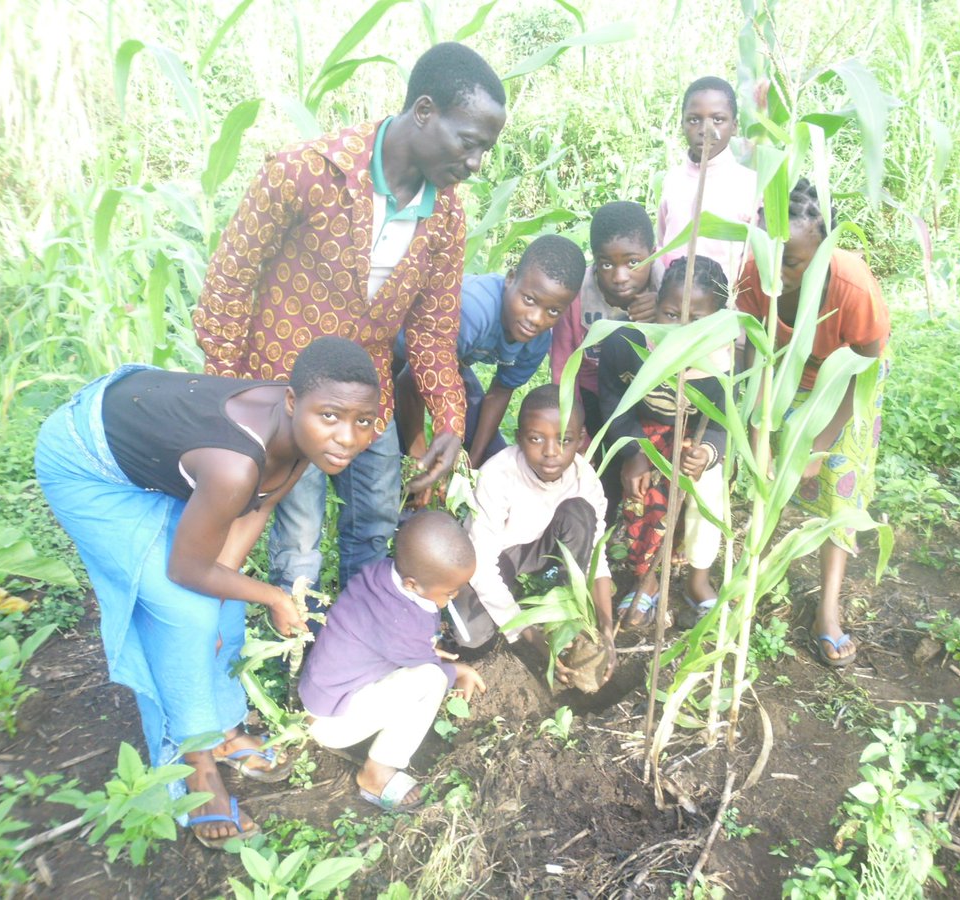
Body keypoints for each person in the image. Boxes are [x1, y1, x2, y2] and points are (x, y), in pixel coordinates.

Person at [34, 337, 382, 849]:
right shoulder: (234, 465)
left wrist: (228, 590)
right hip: (83, 459)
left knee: (218, 601)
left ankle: (223, 727)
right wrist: (273, 596)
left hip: (138, 421)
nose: (348, 438)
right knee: (183, 614)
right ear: (292, 402)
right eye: (331, 416)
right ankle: (197, 766)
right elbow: (187, 569)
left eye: (364, 421)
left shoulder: (309, 439)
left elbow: (256, 510)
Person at [193, 42, 507, 596]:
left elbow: (434, 330)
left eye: (485, 150)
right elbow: (229, 283)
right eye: (470, 143)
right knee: (299, 526)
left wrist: (451, 422)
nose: (476, 163)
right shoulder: (306, 173)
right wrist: (232, 390)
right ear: (425, 111)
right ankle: (297, 642)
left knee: (378, 515)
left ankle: (361, 625)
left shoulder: (447, 216)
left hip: (371, 396)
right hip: (290, 394)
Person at [735, 179, 891, 667]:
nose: (776, 275)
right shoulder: (752, 278)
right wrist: (761, 426)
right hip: (782, 376)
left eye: (793, 262)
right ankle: (754, 577)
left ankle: (827, 610)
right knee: (768, 478)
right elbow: (754, 355)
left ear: (824, 249)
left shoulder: (854, 287)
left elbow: (864, 368)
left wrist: (816, 443)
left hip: (845, 382)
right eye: (769, 258)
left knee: (838, 491)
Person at [299, 510, 485, 810]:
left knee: (426, 666)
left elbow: (384, 639)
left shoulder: (382, 575)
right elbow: (420, 659)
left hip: (324, 695)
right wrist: (457, 671)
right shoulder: (404, 622)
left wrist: (421, 648)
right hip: (333, 722)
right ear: (412, 584)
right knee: (431, 679)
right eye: (449, 593)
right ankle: (377, 773)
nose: (452, 598)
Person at [449, 385, 616, 687]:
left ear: (580, 440)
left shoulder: (585, 481)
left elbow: (595, 555)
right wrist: (530, 636)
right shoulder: (497, 475)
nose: (551, 452)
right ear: (519, 438)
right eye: (536, 439)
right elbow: (483, 566)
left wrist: (606, 629)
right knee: (472, 640)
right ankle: (524, 609)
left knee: (580, 514)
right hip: (500, 557)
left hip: (545, 552)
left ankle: (563, 608)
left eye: (564, 440)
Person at [599, 255, 732, 627]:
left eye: (697, 320)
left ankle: (698, 581)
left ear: (718, 321)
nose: (682, 331)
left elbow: (724, 422)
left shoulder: (722, 363)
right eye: (671, 315)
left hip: (695, 442)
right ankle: (648, 579)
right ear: (655, 307)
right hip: (645, 433)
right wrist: (635, 451)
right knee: (643, 495)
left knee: (708, 491)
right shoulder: (627, 344)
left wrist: (706, 453)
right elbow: (614, 400)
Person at [395, 234, 586, 469]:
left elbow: (500, 392)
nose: (536, 319)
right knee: (393, 448)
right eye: (529, 299)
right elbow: (409, 381)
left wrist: (474, 461)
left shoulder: (537, 341)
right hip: (391, 352)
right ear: (511, 279)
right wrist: (418, 459)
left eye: (553, 311)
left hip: (447, 360)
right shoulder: (473, 311)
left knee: (492, 456)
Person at [550, 201, 662, 515]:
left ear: (652, 253)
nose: (620, 276)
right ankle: (603, 520)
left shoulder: (668, 286)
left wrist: (665, 311)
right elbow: (563, 366)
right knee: (601, 470)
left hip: (651, 398)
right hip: (595, 396)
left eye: (634, 262)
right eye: (607, 264)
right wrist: (574, 428)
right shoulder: (579, 296)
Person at [656, 76, 757, 283]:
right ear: (683, 123)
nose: (705, 130)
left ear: (735, 126)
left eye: (718, 119)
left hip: (727, 306)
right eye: (694, 119)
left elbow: (755, 260)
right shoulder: (672, 180)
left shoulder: (751, 185)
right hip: (672, 305)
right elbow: (661, 245)